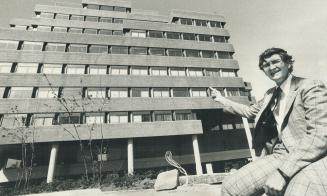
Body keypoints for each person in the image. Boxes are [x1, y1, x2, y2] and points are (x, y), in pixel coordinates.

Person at [210, 48, 327, 196]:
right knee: (230, 186)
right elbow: (249, 111)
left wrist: (283, 173)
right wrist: (221, 99)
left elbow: (319, 136)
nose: (271, 67)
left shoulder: (310, 86)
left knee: (296, 192)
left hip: (313, 154)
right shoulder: (269, 95)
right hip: (281, 154)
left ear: (288, 63)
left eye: (275, 61)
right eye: (266, 65)